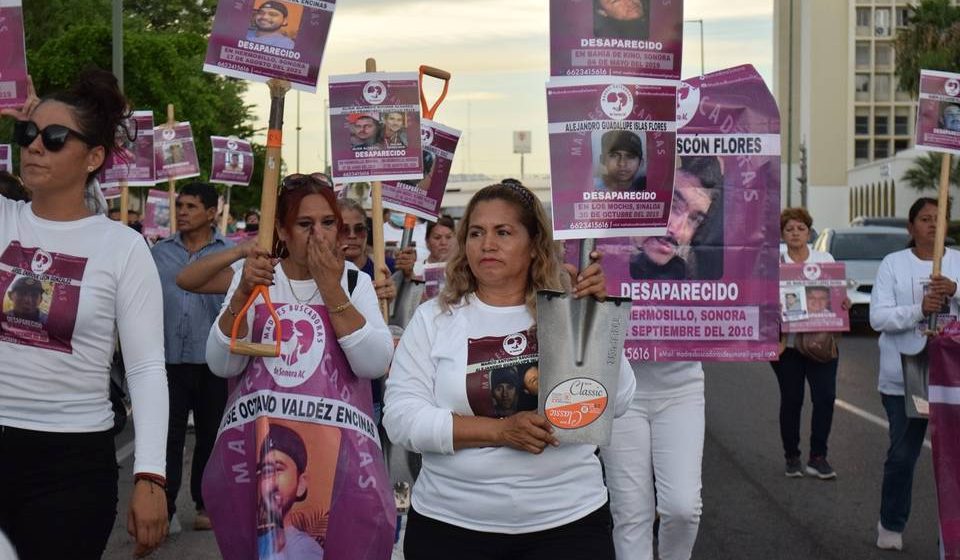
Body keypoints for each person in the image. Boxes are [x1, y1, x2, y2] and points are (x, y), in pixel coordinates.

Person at [384, 182, 636, 559]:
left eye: (503, 232)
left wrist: (593, 318)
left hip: (567, 524)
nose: (487, 244)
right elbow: (402, 420)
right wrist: (502, 431)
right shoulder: (434, 318)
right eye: (476, 233)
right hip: (452, 525)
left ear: (535, 245)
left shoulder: (566, 311)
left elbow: (616, 402)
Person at [0, 70, 168, 558]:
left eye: (54, 139)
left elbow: (144, 368)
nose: (35, 147)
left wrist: (151, 475)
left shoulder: (123, 247)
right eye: (27, 134)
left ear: (94, 157)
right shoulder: (4, 219)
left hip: (70, 466)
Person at [204, 173, 394, 558]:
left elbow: (375, 362)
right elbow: (221, 363)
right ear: (282, 230)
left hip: (340, 463)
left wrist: (332, 290)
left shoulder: (354, 282)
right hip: (258, 458)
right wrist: (242, 296)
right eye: (305, 224)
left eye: (328, 223)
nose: (319, 235)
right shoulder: (255, 278)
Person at [870, 197, 960, 551]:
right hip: (907, 374)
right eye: (925, 219)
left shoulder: (958, 262)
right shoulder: (893, 264)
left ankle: (951, 531)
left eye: (939, 219)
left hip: (951, 378)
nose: (933, 225)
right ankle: (891, 522)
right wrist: (918, 309)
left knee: (954, 457)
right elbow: (879, 317)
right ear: (911, 227)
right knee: (903, 455)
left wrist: (955, 291)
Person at [151, 182, 232, 533]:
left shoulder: (230, 255)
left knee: (210, 436)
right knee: (166, 436)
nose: (182, 212)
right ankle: (164, 507)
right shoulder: (159, 253)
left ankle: (205, 503)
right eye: (179, 205)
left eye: (191, 206)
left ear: (212, 213)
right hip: (168, 358)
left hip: (213, 361)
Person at [773, 207, 850, 481]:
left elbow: (837, 293)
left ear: (809, 231)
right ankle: (792, 456)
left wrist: (843, 303)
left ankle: (818, 456)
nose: (795, 233)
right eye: (789, 229)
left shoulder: (824, 258)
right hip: (787, 346)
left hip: (821, 342)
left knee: (825, 398)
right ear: (782, 233)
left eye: (800, 228)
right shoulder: (774, 261)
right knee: (792, 400)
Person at [630, 156, 724, 280]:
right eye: (673, 205)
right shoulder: (601, 249)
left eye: (694, 219)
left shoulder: (688, 284)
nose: (678, 231)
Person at [257, 424, 325, 559]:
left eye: (278, 468)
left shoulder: (306, 550)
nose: (271, 482)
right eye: (266, 471)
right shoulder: (249, 540)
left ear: (301, 483)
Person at [395, 215, 455, 282]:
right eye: (437, 237)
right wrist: (409, 275)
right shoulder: (414, 270)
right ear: (427, 241)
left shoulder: (464, 270)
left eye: (449, 237)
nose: (443, 243)